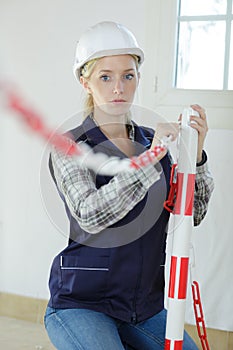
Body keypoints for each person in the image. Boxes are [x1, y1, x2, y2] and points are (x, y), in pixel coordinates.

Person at [44, 21, 214, 350]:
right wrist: (150, 160)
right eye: (105, 77)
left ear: (137, 78)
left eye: (128, 75)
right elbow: (91, 214)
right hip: (81, 304)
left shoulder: (153, 142)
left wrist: (196, 154)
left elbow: (194, 214)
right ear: (85, 81)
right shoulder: (69, 147)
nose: (118, 88)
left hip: (143, 309)